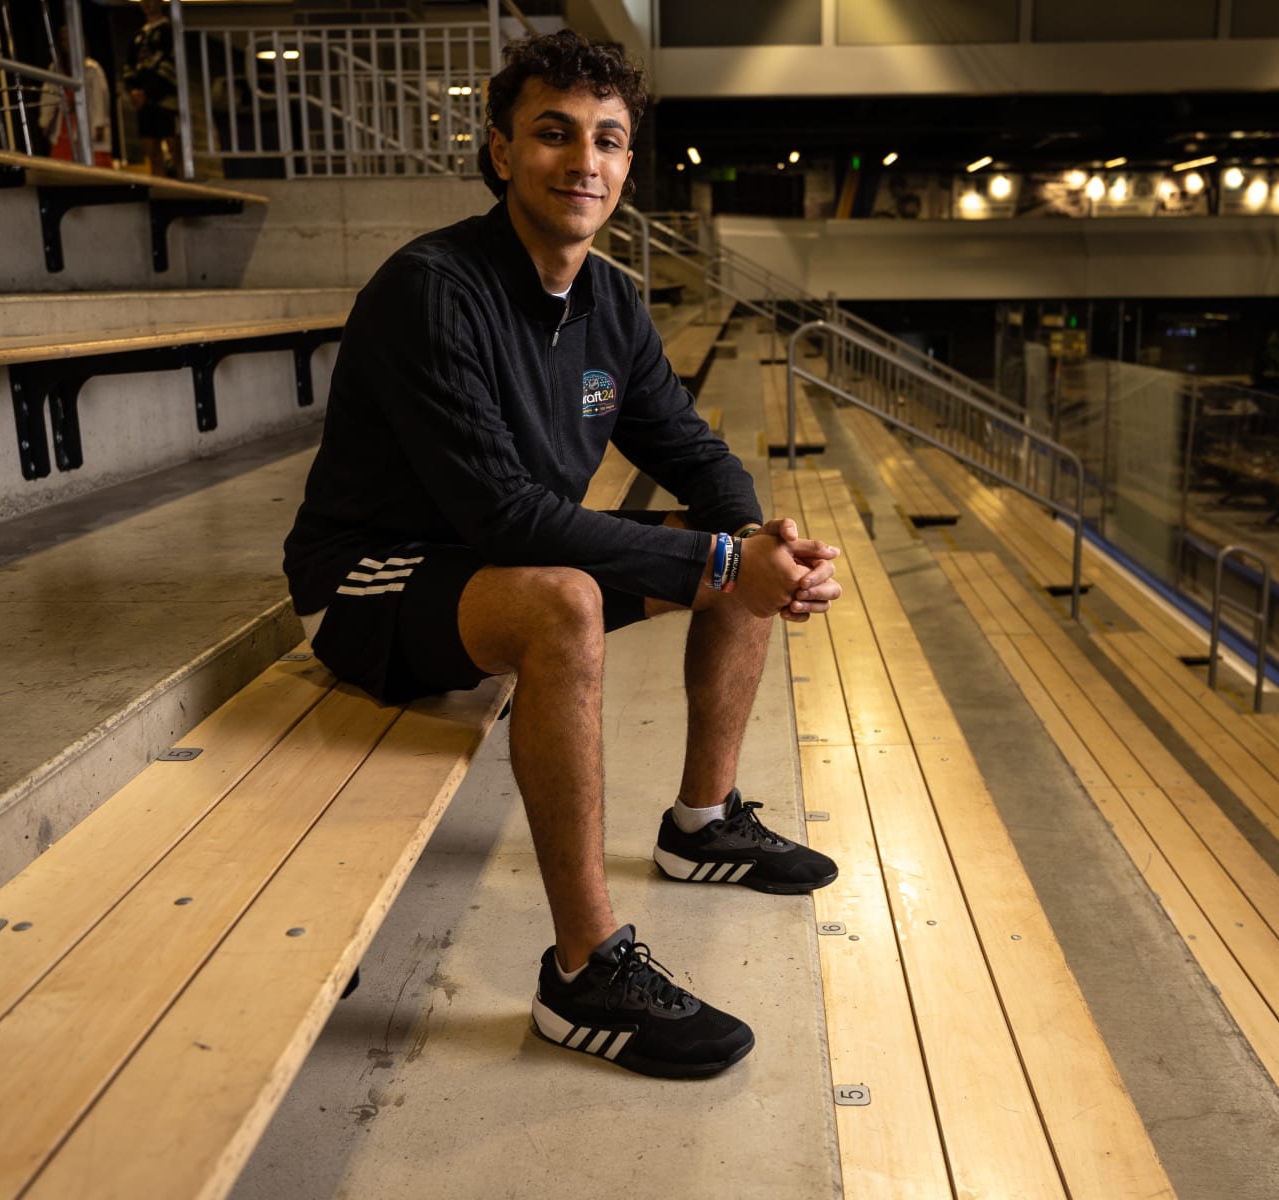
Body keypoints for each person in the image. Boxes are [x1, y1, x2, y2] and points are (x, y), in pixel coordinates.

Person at [283, 30, 843, 1080]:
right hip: (374, 584)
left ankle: (703, 822)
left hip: (503, 571)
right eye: (553, 133)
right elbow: (505, 517)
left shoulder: (612, 302)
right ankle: (584, 976)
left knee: (718, 549)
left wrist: (766, 543)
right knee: (568, 602)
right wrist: (725, 564)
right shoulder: (432, 289)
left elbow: (689, 446)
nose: (584, 160)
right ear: (501, 151)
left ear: (629, 166)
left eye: (608, 140)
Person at [38, 26, 112, 167]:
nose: (67, 43)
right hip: (63, 130)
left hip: (87, 131)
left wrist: (99, 126)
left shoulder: (92, 68)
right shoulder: (55, 69)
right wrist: (45, 122)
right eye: (64, 39)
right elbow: (48, 97)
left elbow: (99, 100)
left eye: (70, 38)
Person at [121, 0, 178, 176]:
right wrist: (133, 90)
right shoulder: (138, 36)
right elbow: (129, 68)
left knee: (176, 150)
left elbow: (171, 66)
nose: (146, 4)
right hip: (145, 104)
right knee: (152, 153)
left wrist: (150, 91)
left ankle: (183, 190)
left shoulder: (169, 31)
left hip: (166, 100)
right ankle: (159, 193)